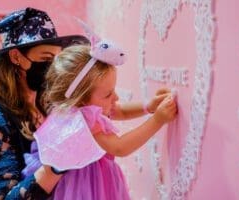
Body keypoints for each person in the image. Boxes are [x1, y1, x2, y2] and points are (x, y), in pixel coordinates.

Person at [31, 43, 178, 199]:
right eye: (108, 95)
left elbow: (120, 110)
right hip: (89, 187)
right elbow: (120, 147)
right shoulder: (83, 121)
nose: (116, 97)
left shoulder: (81, 107)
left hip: (97, 179)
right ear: (79, 100)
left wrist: (149, 106)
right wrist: (157, 120)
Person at [0, 7, 89, 199]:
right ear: (16, 57)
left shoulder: (48, 107)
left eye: (56, 60)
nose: (52, 68)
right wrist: (54, 167)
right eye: (46, 59)